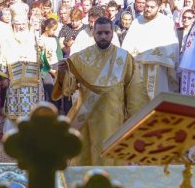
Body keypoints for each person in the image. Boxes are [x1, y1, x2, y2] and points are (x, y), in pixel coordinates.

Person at [52, 17, 147, 165]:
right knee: (86, 157)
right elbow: (68, 89)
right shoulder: (81, 57)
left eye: (107, 33)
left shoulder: (124, 57)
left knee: (110, 156)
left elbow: (134, 90)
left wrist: (134, 120)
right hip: (87, 116)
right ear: (93, 34)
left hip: (113, 117)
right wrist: (63, 72)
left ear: (112, 34)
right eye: (99, 33)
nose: (103, 36)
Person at [122, 0, 179, 100]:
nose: (148, 9)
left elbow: (172, 47)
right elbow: (127, 45)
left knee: (156, 99)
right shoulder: (136, 22)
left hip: (158, 69)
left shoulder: (165, 22)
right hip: (138, 68)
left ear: (159, 7)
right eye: (146, 6)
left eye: (152, 7)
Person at [0, 2, 43, 125]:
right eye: (18, 24)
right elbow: (1, 58)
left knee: (33, 110)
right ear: (13, 24)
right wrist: (4, 77)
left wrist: (42, 48)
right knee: (15, 112)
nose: (21, 27)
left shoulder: (33, 36)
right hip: (14, 80)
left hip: (33, 81)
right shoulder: (7, 37)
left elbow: (42, 59)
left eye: (23, 24)